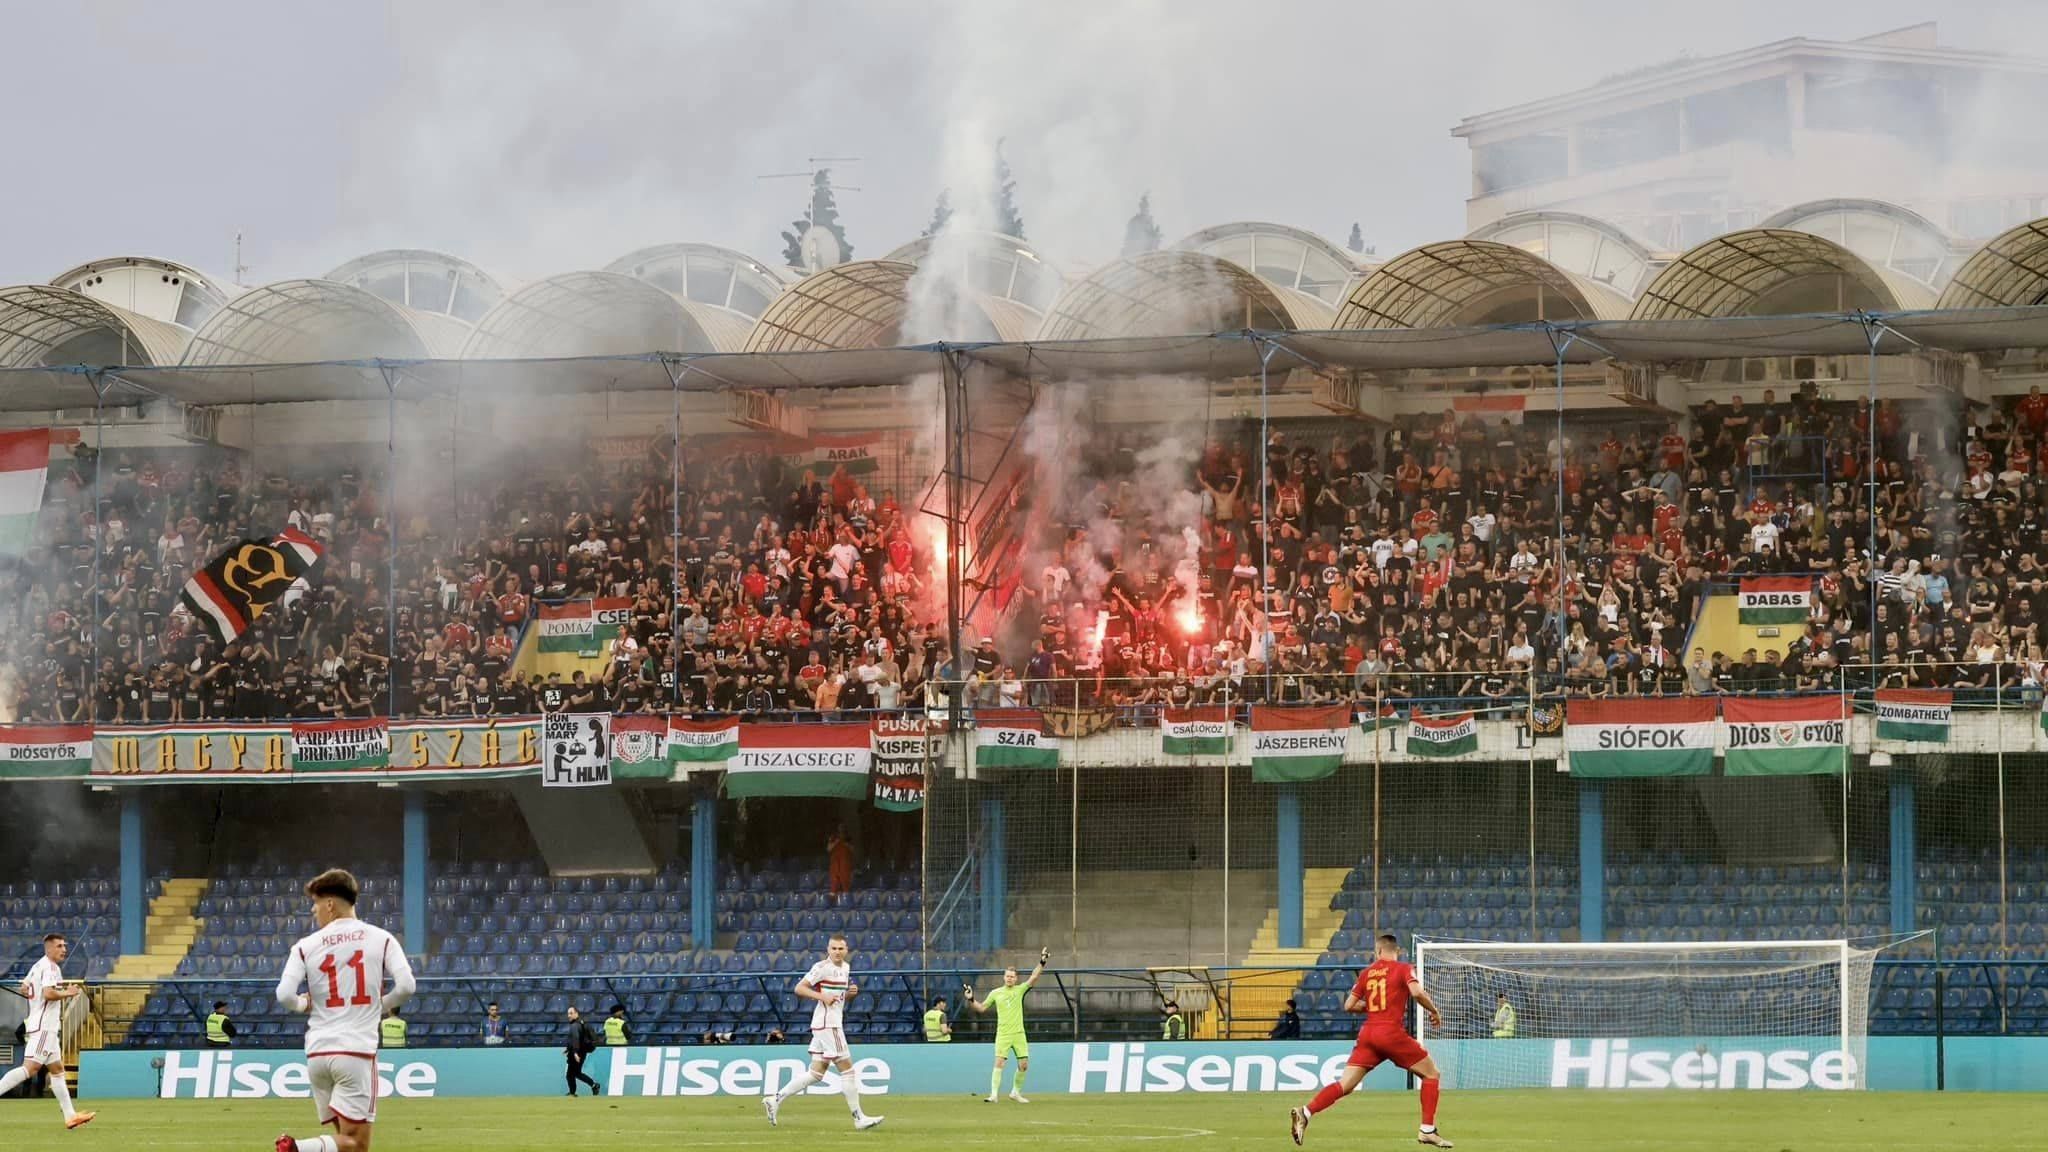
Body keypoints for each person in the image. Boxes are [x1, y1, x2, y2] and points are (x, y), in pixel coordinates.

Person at [272, 868, 416, 1152]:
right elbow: (407, 986)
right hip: (354, 1052)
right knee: (357, 1144)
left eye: (315, 903)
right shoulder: (381, 938)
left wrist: (302, 1004)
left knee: (342, 1145)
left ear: (330, 904)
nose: (314, 911)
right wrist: (380, 1006)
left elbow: (284, 995)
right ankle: (295, 1148)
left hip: (317, 1055)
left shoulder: (305, 946)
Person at [1289, 934, 1451, 1148]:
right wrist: (1434, 1010)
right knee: (1432, 1074)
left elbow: (1348, 1005)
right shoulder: (1403, 968)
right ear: (1397, 951)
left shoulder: (1367, 973)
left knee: (1345, 1085)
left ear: (1378, 952)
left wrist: (1372, 1007)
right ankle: (1427, 1130)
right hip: (1391, 1033)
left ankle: (1306, 1112)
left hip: (1368, 1035)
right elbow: (1416, 992)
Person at [762, 934, 883, 1130]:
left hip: (827, 1023)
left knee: (816, 1073)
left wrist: (850, 995)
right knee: (848, 1069)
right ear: (828, 949)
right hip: (828, 1024)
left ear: (846, 950)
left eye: (840, 948)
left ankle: (775, 1099)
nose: (837, 952)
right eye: (833, 948)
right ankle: (859, 1118)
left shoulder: (845, 968)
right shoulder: (821, 967)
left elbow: (839, 998)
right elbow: (799, 988)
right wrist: (821, 996)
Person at [0, 933, 94, 1130]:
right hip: (44, 1027)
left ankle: (70, 1117)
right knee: (30, 1069)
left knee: (58, 1071)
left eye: (64, 946)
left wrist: (28, 989)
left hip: (45, 1026)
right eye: (59, 946)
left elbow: (25, 985)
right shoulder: (51, 968)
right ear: (49, 948)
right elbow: (49, 994)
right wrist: (68, 992)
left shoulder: (38, 965)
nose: (64, 950)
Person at [964, 947, 1047, 1103]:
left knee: (1024, 1065)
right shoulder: (996, 993)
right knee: (999, 1062)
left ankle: (1015, 1092)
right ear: (1004, 977)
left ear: (1016, 979)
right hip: (1003, 1034)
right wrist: (971, 999)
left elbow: (1034, 977)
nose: (1009, 978)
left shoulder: (1020, 990)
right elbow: (981, 1008)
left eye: (1012, 976)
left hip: (1019, 1034)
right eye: (1007, 976)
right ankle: (994, 1095)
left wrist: (1042, 961)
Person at [563, 1007, 601, 1096]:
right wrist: (568, 1049)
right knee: (576, 1073)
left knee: (571, 1074)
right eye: (568, 1013)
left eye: (571, 1013)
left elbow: (575, 1039)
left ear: (577, 1013)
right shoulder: (583, 1023)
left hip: (576, 1052)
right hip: (582, 1051)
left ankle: (573, 1092)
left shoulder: (575, 1025)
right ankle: (593, 1085)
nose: (569, 1015)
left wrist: (575, 1052)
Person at [827, 826, 855, 900]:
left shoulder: (848, 838)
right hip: (835, 861)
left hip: (845, 862)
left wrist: (846, 844)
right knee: (834, 878)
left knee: (845, 878)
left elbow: (852, 850)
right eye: (839, 828)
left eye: (842, 828)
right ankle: (833, 895)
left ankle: (845, 897)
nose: (841, 829)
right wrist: (836, 841)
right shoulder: (833, 838)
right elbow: (828, 849)